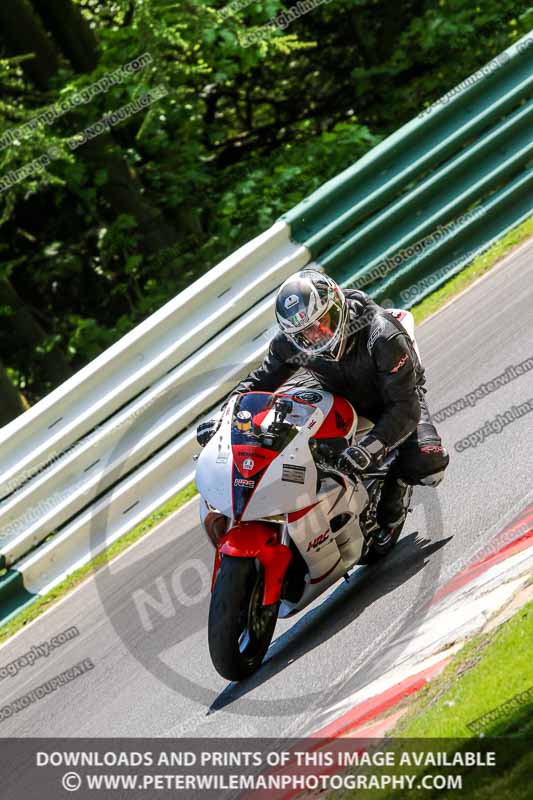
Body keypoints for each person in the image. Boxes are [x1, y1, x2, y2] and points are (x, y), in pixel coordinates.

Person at [197, 269, 449, 531]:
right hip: (335, 396)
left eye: (322, 322)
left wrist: (370, 449)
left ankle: (397, 482)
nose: (316, 335)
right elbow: (259, 381)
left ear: (337, 308)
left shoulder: (381, 335)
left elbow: (406, 407)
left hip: (391, 401)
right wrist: (222, 417)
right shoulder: (292, 344)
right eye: (305, 333)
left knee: (428, 464)